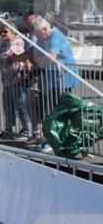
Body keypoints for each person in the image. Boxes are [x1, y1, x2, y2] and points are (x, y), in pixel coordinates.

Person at [30, 16, 80, 146]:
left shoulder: (55, 37)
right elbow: (38, 55)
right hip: (53, 77)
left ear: (45, 29)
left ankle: (57, 139)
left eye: (40, 34)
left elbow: (51, 57)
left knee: (58, 109)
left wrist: (39, 60)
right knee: (51, 107)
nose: (40, 37)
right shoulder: (46, 37)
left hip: (63, 78)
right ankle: (50, 137)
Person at [0, 26, 32, 140]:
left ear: (13, 33)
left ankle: (27, 131)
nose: (2, 33)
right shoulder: (2, 43)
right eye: (2, 31)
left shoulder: (17, 41)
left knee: (21, 105)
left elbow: (6, 54)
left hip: (17, 79)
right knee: (7, 105)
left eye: (5, 31)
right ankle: (8, 130)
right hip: (6, 80)